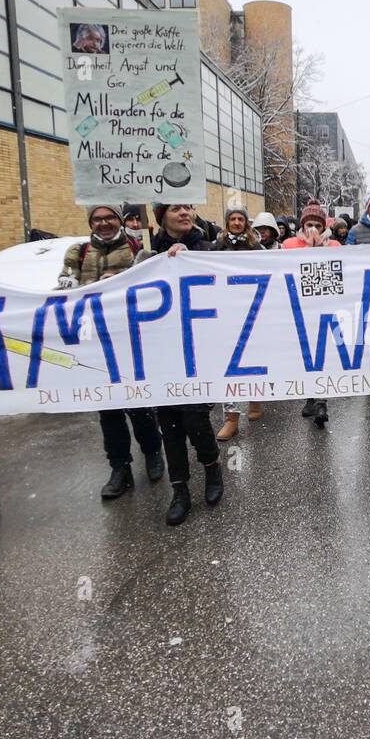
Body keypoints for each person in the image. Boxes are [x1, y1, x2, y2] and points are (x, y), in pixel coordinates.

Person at [57, 205, 165, 499]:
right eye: (97, 219)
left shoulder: (138, 249)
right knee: (108, 410)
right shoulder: (77, 253)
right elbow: (64, 290)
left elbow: (150, 289)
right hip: (94, 343)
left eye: (109, 218)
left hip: (130, 340)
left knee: (139, 404)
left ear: (118, 221)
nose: (103, 223)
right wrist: (90, 287)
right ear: (91, 222)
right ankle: (120, 468)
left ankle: (153, 452)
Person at [152, 203, 225, 525]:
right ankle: (179, 489)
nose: (185, 212)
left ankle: (212, 469)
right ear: (161, 216)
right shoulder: (146, 258)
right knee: (169, 427)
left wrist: (191, 262)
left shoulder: (208, 250)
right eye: (176, 208)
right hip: (161, 355)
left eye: (189, 207)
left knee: (196, 422)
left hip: (198, 351)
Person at [283, 203, 342, 427]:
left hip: (325, 307)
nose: (314, 229)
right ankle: (310, 398)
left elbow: (338, 277)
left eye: (318, 225)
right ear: (302, 225)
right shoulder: (289, 245)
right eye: (309, 225)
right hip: (299, 308)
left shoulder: (334, 245)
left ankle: (321, 402)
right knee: (305, 357)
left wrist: (321, 249)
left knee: (322, 356)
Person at [213, 206, 266, 441]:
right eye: (232, 219)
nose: (236, 222)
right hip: (225, 312)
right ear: (227, 222)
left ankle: (255, 401)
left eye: (240, 218)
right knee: (229, 366)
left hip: (253, 310)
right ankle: (231, 418)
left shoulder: (257, 247)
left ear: (246, 222)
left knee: (252, 359)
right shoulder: (216, 247)